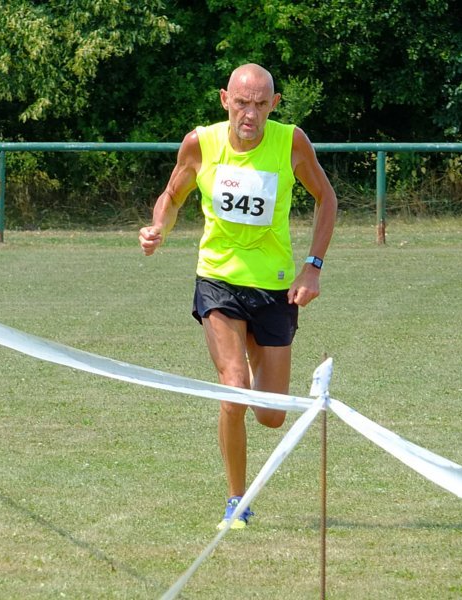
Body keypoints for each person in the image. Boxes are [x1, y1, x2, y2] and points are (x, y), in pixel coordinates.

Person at [139, 63, 337, 530]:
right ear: (225, 98)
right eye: (242, 103)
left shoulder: (291, 142)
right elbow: (173, 194)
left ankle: (250, 371)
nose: (250, 114)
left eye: (261, 104)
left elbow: (326, 199)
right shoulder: (200, 142)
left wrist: (314, 266)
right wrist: (157, 229)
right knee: (233, 390)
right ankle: (236, 500)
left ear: (275, 103)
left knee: (271, 416)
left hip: (273, 287)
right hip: (218, 279)